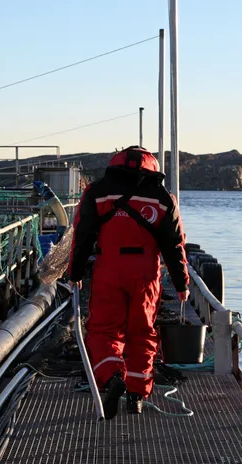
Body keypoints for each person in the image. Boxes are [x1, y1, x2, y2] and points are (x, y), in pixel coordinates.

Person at [68, 146, 189, 418]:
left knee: (103, 330)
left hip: (108, 270)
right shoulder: (162, 198)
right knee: (143, 333)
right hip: (146, 274)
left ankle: (112, 378)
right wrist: (181, 285)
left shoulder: (98, 191)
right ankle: (136, 396)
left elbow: (83, 234)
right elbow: (174, 245)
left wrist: (74, 273)